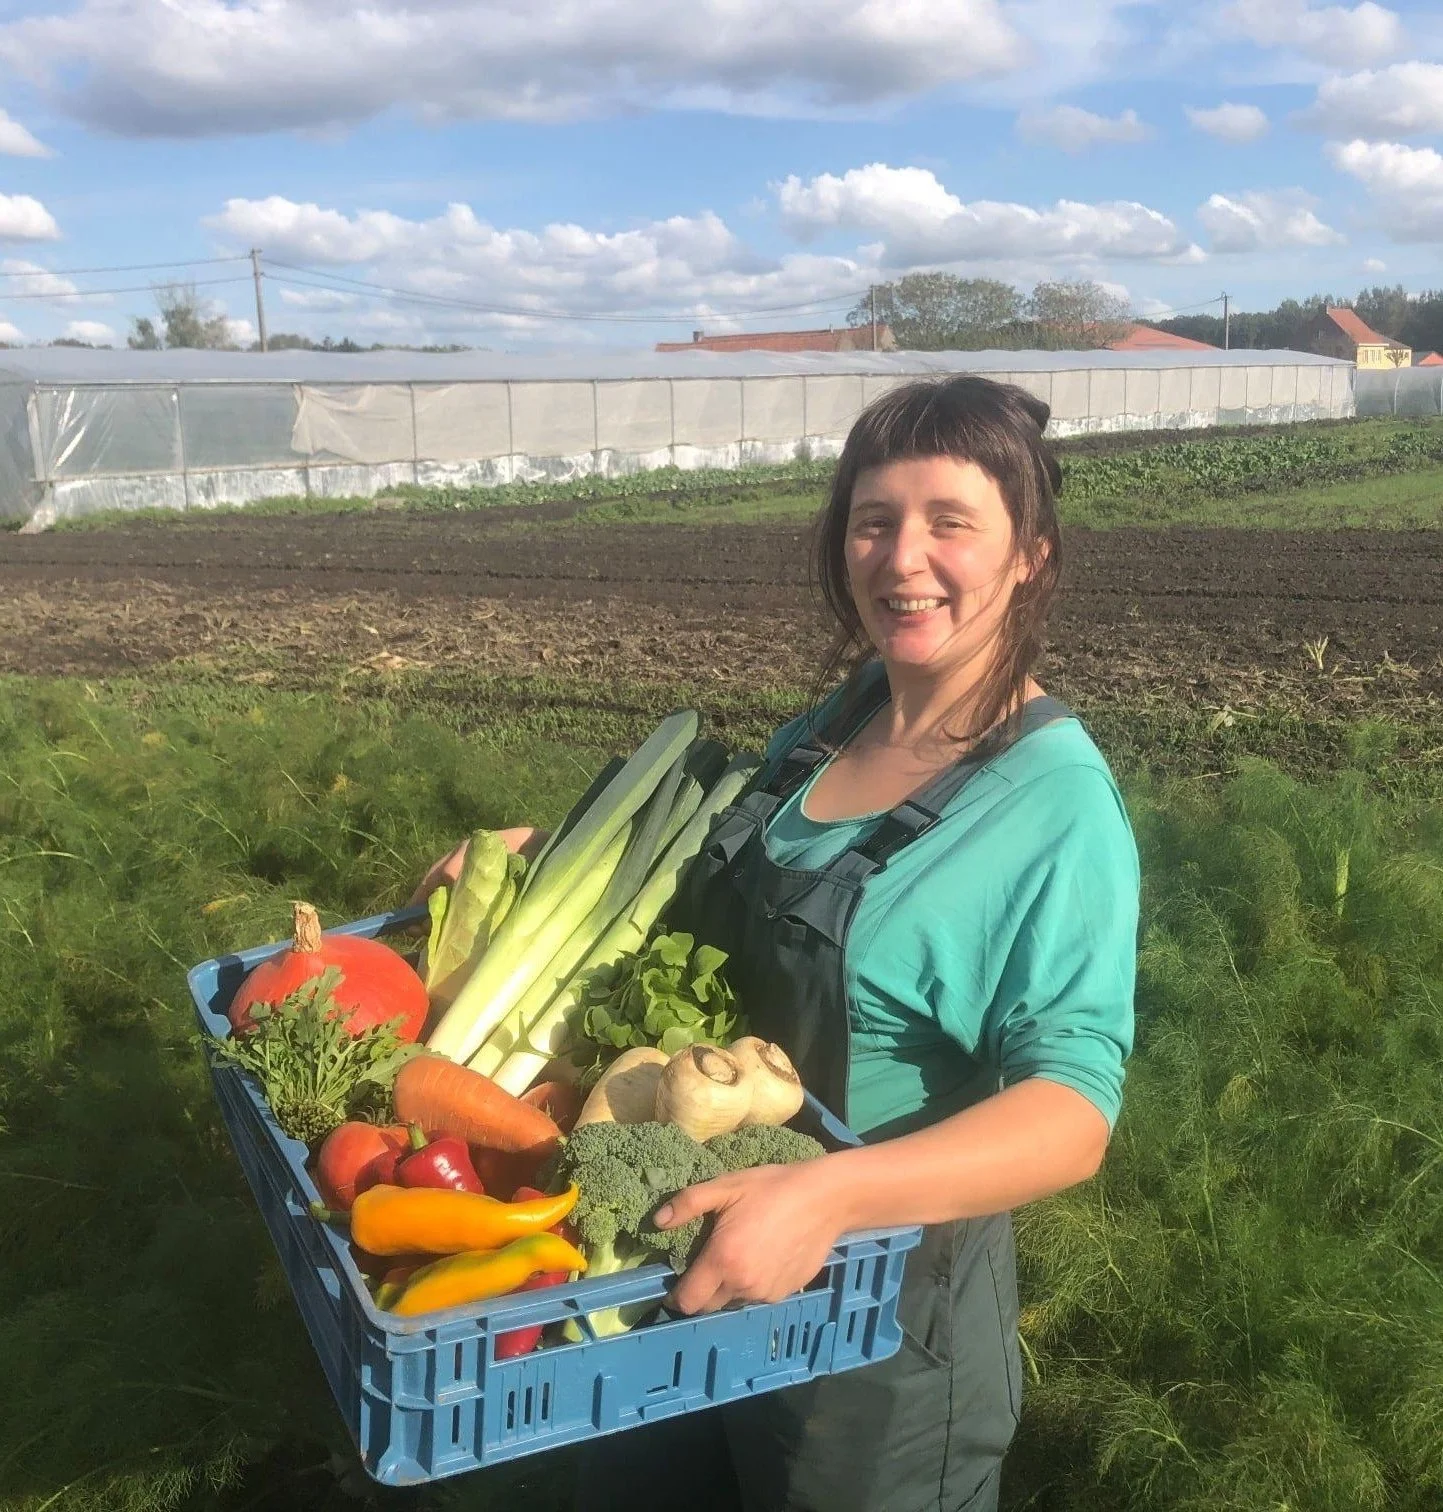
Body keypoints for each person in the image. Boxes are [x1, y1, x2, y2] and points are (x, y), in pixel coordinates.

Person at [414, 375, 1139, 1512]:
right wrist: (540, 854)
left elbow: (1073, 1113)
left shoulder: (1052, 804)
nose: (902, 558)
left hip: (875, 1340)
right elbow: (709, 866)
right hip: (702, 1278)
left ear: (1030, 556)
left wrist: (831, 1197)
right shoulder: (843, 716)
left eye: (951, 523)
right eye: (873, 519)